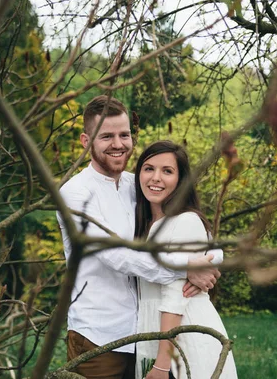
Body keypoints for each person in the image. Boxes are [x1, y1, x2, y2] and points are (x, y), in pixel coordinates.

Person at [57, 96, 222, 379]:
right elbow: (115, 255)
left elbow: (192, 228)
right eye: (106, 136)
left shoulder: (137, 185)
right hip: (99, 336)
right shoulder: (75, 195)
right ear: (86, 141)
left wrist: (213, 258)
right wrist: (186, 268)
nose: (118, 144)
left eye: (124, 135)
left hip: (142, 333)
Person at [134, 140, 238, 379]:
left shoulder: (185, 221)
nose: (155, 178)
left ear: (181, 181)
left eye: (167, 171)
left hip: (184, 341)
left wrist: (162, 364)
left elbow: (175, 297)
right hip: (159, 338)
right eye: (149, 168)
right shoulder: (147, 224)